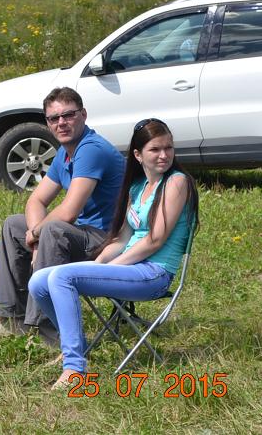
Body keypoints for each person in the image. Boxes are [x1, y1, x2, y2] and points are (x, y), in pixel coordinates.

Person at [28, 119, 199, 388]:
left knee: (61, 278)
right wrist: (99, 263)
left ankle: (74, 369)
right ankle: (76, 344)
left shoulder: (176, 183)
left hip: (153, 274)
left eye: (168, 148)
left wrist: (111, 267)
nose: (164, 155)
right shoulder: (137, 188)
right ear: (138, 155)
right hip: (129, 269)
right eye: (155, 149)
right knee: (38, 281)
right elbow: (122, 238)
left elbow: (154, 240)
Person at [0, 87, 125, 343]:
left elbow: (69, 211)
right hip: (82, 234)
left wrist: (38, 234)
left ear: (84, 115)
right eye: (54, 118)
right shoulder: (65, 152)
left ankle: (49, 332)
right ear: (48, 123)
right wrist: (35, 240)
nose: (61, 122)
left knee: (53, 230)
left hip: (107, 239)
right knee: (13, 225)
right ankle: (11, 320)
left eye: (68, 115)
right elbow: (36, 200)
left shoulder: (91, 149)